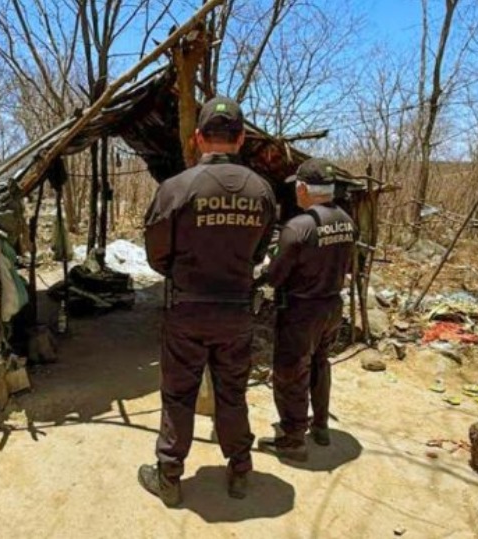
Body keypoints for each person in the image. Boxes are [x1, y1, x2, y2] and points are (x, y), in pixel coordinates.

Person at [138, 96, 276, 506]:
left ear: (198, 138)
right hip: (236, 311)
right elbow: (257, 254)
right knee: (231, 393)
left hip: (187, 309)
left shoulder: (176, 189)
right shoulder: (263, 191)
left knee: (178, 394)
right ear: (242, 138)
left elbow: (156, 255)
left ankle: (169, 475)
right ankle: (239, 469)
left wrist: (186, 273)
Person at [256, 158, 357, 462]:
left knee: (290, 373)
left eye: (296, 188)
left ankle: (292, 439)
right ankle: (321, 425)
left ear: (303, 188)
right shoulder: (348, 221)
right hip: (332, 305)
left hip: (301, 309)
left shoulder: (299, 227)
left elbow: (275, 276)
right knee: (320, 363)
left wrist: (262, 271)